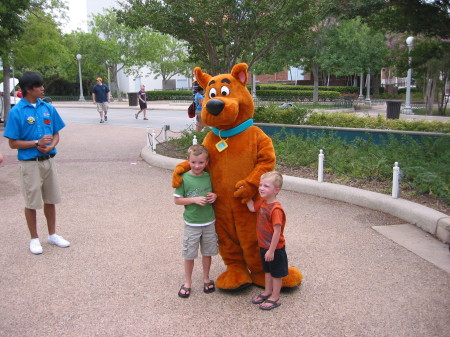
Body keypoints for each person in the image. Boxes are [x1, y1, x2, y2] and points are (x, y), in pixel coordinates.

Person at [3, 71, 70, 255]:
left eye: (42, 85)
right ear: (27, 89)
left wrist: (51, 146)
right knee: (32, 202)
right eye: (38, 86)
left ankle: (52, 234)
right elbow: (12, 143)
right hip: (30, 164)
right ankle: (34, 238)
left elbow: (56, 133)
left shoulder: (47, 108)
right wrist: (36, 143)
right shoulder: (17, 112)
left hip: (48, 161)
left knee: (51, 199)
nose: (42, 89)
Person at [173, 144, 218, 298]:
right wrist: (193, 199)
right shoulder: (184, 178)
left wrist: (215, 196)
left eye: (200, 162)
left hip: (209, 222)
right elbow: (177, 200)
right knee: (189, 254)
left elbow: (215, 193)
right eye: (193, 162)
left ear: (206, 162)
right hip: (192, 223)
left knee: (207, 253)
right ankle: (188, 282)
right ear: (188, 161)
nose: (197, 166)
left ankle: (206, 278)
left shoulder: (208, 176)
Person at [246, 171, 288, 310]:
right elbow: (252, 207)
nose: (261, 188)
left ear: (276, 190)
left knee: (276, 274)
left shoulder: (276, 209)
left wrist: (271, 250)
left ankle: (275, 297)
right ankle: (267, 291)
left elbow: (277, 231)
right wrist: (245, 195)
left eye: (266, 186)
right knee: (268, 271)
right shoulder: (263, 203)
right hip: (264, 246)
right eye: (260, 185)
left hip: (275, 249)